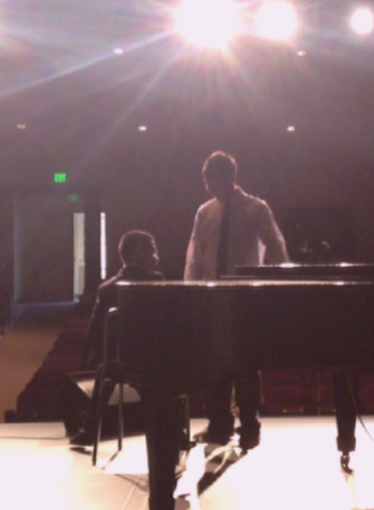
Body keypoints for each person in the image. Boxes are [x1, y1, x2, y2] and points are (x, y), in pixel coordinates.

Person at [185, 150, 289, 450]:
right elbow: (195, 255)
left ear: (230, 178)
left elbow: (276, 246)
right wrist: (193, 292)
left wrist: (271, 286)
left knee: (245, 364)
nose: (209, 187)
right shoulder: (205, 212)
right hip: (211, 296)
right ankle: (219, 424)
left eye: (213, 180)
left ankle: (250, 425)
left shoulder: (255, 208)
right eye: (207, 182)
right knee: (214, 363)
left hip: (245, 297)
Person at [69, 230, 164, 446]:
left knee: (106, 371)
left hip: (117, 364)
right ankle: (171, 433)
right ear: (138, 253)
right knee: (161, 378)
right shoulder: (156, 282)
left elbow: (93, 333)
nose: (157, 257)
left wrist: (109, 356)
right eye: (153, 251)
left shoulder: (106, 288)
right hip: (151, 365)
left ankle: (89, 428)